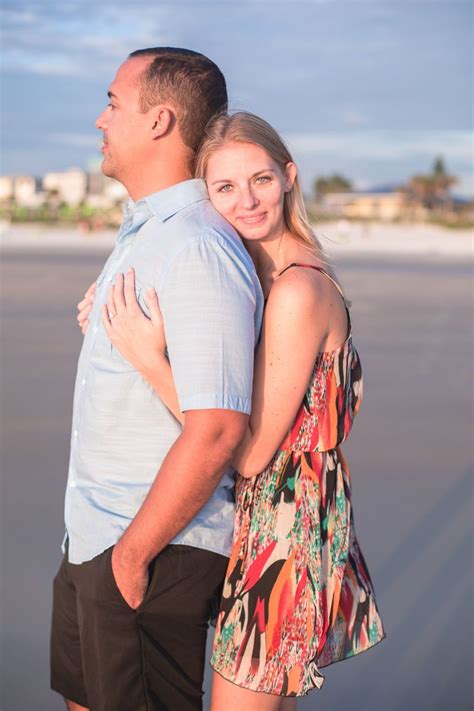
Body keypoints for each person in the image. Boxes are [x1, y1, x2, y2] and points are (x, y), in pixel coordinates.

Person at [78, 112, 386, 710]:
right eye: (224, 187)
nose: (246, 200)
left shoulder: (296, 291)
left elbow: (246, 453)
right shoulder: (264, 277)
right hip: (281, 517)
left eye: (261, 180)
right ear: (206, 195)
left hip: (283, 531)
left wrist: (147, 357)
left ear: (289, 176)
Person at [51, 51, 264, 711]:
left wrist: (133, 554)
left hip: (152, 545)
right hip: (93, 532)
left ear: (161, 121)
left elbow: (219, 425)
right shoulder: (151, 233)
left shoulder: (197, 244)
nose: (100, 118)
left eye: (114, 102)